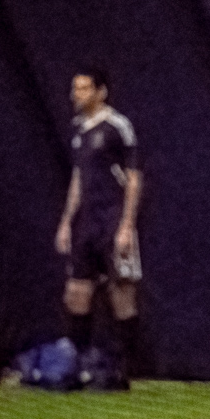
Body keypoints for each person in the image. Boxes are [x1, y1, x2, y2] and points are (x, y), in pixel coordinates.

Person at [55, 67, 142, 386]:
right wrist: (66, 221)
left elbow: (133, 178)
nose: (76, 95)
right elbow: (79, 177)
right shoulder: (78, 128)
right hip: (86, 223)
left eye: (83, 89)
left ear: (100, 92)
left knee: (122, 291)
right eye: (74, 88)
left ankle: (126, 369)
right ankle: (75, 364)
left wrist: (126, 226)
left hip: (112, 219)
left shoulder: (118, 126)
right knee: (77, 290)